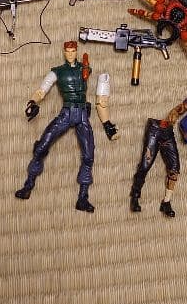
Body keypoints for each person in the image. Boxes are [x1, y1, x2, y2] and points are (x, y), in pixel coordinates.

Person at [15, 41, 117, 213]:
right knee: (41, 146)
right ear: (64, 52)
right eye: (67, 51)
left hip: (82, 114)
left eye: (73, 51)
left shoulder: (85, 68)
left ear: (76, 52)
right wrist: (33, 101)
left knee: (89, 155)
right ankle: (28, 185)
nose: (70, 54)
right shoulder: (57, 71)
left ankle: (83, 198)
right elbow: (42, 90)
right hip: (67, 112)